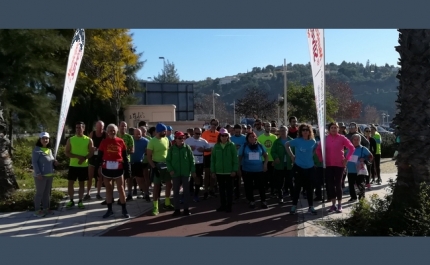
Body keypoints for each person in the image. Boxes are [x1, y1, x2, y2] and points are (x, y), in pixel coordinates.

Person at [316, 122, 355, 213]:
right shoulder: (325, 139)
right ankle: (333, 205)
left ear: (338, 129)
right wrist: (322, 159)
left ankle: (339, 205)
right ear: (329, 129)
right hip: (328, 165)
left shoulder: (342, 138)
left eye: (335, 127)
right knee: (330, 185)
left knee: (338, 185)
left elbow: (352, 148)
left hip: (339, 165)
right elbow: (318, 150)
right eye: (332, 128)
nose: (333, 129)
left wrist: (346, 159)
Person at [97, 124, 131, 218]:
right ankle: (109, 210)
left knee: (121, 188)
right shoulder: (104, 142)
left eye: (114, 130)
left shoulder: (121, 141)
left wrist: (127, 170)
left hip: (118, 168)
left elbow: (125, 156)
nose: (112, 132)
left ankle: (124, 210)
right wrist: (98, 168)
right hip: (106, 167)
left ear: (117, 131)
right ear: (107, 132)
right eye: (110, 130)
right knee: (108, 190)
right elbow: (99, 156)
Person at [285, 124, 318, 215]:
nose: (305, 131)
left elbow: (314, 149)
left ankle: (310, 206)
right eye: (303, 130)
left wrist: (311, 156)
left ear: (309, 131)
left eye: (307, 130)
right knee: (297, 187)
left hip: (310, 167)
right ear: (300, 132)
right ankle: (294, 206)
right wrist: (292, 156)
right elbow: (286, 145)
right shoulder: (297, 141)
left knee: (309, 188)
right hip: (299, 167)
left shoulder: (313, 141)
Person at [64, 122, 94, 209]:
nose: (78, 129)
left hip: (83, 166)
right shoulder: (71, 139)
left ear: (83, 129)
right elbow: (67, 152)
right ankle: (71, 200)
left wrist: (84, 158)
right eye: (76, 128)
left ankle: (80, 201)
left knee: (82, 184)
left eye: (80, 128)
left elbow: (91, 152)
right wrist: (78, 157)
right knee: (70, 183)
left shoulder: (88, 140)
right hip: (73, 165)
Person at [166, 131, 196, 216]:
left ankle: (186, 209)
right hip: (175, 173)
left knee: (186, 192)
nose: (181, 140)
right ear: (175, 139)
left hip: (186, 173)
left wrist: (193, 170)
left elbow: (192, 160)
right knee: (176, 192)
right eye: (179, 138)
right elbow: (168, 161)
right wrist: (170, 169)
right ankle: (177, 209)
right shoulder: (171, 149)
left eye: (183, 138)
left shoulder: (187, 148)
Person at [147, 123, 174, 216]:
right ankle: (155, 206)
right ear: (158, 131)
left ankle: (167, 203)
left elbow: (168, 152)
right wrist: (154, 168)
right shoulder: (152, 141)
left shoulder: (166, 139)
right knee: (157, 187)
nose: (165, 132)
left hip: (166, 165)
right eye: (163, 131)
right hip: (156, 165)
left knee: (169, 184)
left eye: (165, 131)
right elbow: (149, 157)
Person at [210, 128, 239, 212]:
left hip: (229, 172)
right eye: (222, 135)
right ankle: (223, 205)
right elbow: (213, 159)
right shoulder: (216, 146)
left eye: (225, 135)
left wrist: (234, 170)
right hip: (219, 172)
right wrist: (213, 171)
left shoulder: (232, 145)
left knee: (229, 190)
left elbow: (235, 159)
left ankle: (229, 206)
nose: (224, 137)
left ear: (228, 136)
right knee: (221, 190)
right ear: (220, 136)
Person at [238, 132, 268, 209]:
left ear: (256, 138)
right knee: (249, 187)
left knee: (261, 186)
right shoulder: (244, 146)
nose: (252, 138)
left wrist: (265, 164)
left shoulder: (260, 145)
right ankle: (251, 201)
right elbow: (240, 157)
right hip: (247, 170)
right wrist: (238, 168)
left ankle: (263, 201)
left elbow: (266, 155)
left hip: (259, 170)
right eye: (250, 137)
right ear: (247, 138)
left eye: (253, 137)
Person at [32, 132, 59, 217]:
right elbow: (34, 162)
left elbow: (50, 160)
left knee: (47, 193)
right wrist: (38, 173)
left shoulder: (50, 150)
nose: (45, 140)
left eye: (47, 138)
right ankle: (37, 210)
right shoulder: (36, 150)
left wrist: (55, 162)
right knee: (39, 193)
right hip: (41, 176)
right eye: (43, 138)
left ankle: (46, 208)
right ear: (40, 140)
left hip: (49, 175)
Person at [185, 127, 211, 202]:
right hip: (190, 160)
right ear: (193, 133)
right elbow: (183, 148)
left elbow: (209, 149)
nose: (198, 135)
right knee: (189, 177)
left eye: (199, 134)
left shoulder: (203, 141)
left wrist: (204, 150)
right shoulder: (188, 140)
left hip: (199, 160)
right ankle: (189, 191)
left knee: (198, 177)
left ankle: (196, 194)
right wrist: (189, 148)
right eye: (196, 133)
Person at [270, 125, 294, 204]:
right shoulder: (277, 142)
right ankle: (280, 197)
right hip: (279, 165)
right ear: (279, 132)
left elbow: (295, 152)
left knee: (290, 182)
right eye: (281, 131)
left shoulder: (292, 141)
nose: (283, 132)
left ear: (287, 131)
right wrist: (275, 157)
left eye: (284, 130)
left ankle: (293, 196)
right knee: (279, 182)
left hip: (289, 165)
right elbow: (272, 151)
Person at [346, 134, 373, 202]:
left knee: (360, 184)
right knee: (351, 185)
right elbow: (344, 157)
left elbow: (371, 157)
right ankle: (353, 197)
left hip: (360, 171)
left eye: (357, 139)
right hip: (350, 170)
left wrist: (364, 158)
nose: (356, 141)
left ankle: (361, 198)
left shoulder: (363, 149)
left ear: (360, 140)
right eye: (354, 139)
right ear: (352, 140)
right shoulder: (349, 149)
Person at [87, 120, 106, 201]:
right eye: (98, 126)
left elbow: (108, 144)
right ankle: (88, 193)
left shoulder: (105, 134)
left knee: (99, 176)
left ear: (103, 127)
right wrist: (92, 148)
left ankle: (98, 193)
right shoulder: (92, 133)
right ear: (96, 126)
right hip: (92, 156)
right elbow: (88, 144)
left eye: (101, 126)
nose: (100, 128)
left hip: (101, 157)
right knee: (90, 176)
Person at [201, 119, 219, 199]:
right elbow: (202, 144)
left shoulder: (219, 134)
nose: (214, 125)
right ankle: (205, 190)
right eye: (212, 124)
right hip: (207, 155)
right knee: (207, 174)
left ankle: (211, 190)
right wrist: (207, 149)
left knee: (213, 174)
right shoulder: (205, 133)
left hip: (215, 156)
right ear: (210, 124)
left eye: (215, 124)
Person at [130, 128, 149, 201]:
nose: (138, 135)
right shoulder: (131, 139)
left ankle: (146, 193)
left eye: (139, 134)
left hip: (139, 162)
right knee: (129, 179)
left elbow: (148, 150)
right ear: (133, 134)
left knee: (140, 179)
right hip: (130, 161)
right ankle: (129, 194)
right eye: (136, 134)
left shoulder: (145, 141)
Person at [229, 124, 246, 200]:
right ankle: (235, 194)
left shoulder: (245, 138)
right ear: (234, 131)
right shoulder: (230, 138)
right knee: (234, 179)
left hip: (243, 161)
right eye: (236, 131)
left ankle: (242, 194)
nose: (238, 133)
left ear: (241, 130)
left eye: (239, 131)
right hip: (233, 162)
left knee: (243, 178)